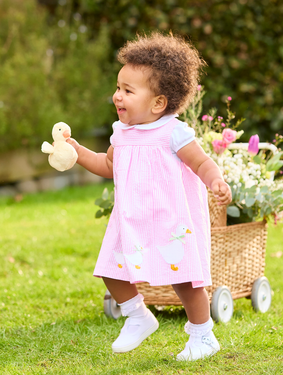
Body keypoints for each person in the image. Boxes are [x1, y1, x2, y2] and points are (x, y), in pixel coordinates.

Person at [67, 32, 232, 361]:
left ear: (158, 103)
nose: (118, 96)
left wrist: (215, 181)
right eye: (118, 87)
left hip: (170, 220)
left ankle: (203, 335)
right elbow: (107, 164)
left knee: (184, 279)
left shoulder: (173, 132)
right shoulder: (121, 133)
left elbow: (201, 161)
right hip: (131, 219)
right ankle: (138, 316)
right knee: (111, 270)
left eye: (128, 90)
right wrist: (77, 152)